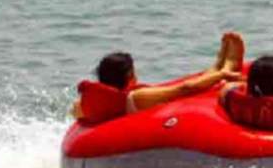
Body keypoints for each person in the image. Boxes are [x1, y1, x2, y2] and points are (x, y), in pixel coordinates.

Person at [70, 32, 245, 123]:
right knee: (189, 90)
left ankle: (218, 64)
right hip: (146, 125)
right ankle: (225, 68)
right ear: (130, 75)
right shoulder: (135, 98)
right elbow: (185, 89)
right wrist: (222, 75)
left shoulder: (83, 105)